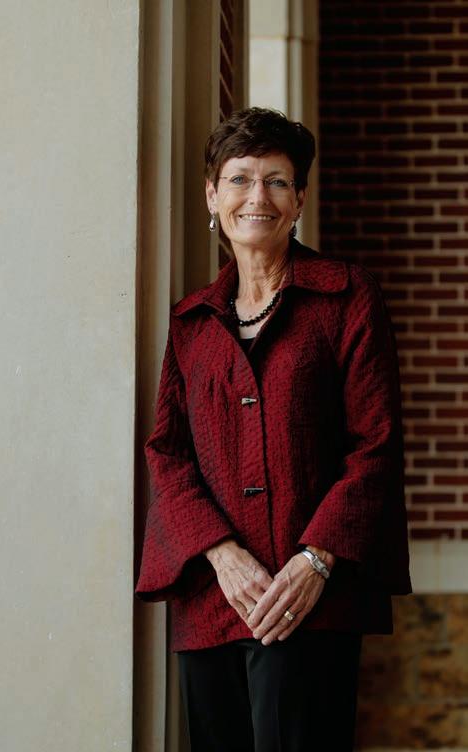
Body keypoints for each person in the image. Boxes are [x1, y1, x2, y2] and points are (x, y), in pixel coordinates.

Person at [135, 106, 412, 751]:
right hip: (213, 600)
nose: (257, 196)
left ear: (299, 200)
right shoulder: (190, 322)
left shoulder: (348, 297)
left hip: (309, 599)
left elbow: (375, 445)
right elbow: (167, 452)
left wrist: (316, 561)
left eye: (277, 181)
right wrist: (221, 553)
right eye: (240, 179)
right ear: (212, 196)